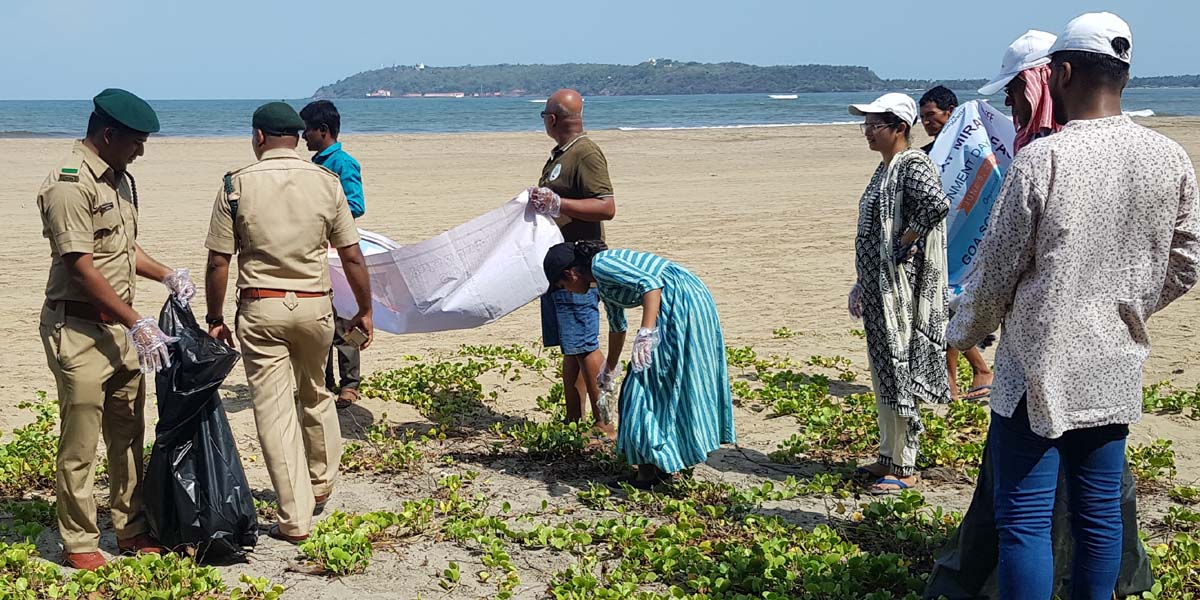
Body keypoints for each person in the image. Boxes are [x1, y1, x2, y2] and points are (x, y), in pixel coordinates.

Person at [948, 12, 1199, 599]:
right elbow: (1186, 261)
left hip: (1037, 370)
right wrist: (1128, 307)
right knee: (1098, 517)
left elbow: (994, 277)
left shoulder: (1044, 161)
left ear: (1060, 72)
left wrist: (964, 332)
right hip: (1114, 363)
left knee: (1026, 524)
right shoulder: (1170, 158)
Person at [37, 88, 196, 570]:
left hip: (123, 329)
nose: (141, 151)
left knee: (127, 433)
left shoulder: (120, 180)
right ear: (109, 134)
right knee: (81, 440)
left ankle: (129, 526)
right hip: (80, 329)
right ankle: (81, 540)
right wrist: (136, 321)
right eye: (136, 142)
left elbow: (125, 250)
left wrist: (167, 273)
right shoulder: (70, 183)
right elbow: (81, 265)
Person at [204, 102, 374, 543]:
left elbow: (219, 261)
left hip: (262, 308)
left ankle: (294, 517)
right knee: (316, 391)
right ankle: (320, 483)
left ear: (259, 136)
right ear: (297, 137)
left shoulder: (236, 184)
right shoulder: (326, 182)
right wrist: (365, 309)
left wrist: (215, 317)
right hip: (316, 306)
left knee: (275, 410)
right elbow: (352, 255)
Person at [541, 240, 735, 488]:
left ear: (571, 273)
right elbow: (617, 326)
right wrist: (609, 368)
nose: (566, 290)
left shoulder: (602, 265)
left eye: (562, 285)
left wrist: (646, 332)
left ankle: (649, 474)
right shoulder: (601, 283)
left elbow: (651, 285)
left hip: (681, 300)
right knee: (650, 383)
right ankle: (656, 467)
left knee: (642, 386)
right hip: (681, 299)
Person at [847, 93, 951, 493]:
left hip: (900, 289)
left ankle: (905, 465)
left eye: (876, 126)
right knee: (883, 369)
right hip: (878, 286)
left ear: (900, 129)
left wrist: (904, 243)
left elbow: (936, 206)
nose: (869, 133)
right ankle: (888, 454)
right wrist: (863, 278)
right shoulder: (884, 169)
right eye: (867, 126)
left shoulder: (912, 165)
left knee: (898, 367)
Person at [527, 89, 617, 439]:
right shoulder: (560, 156)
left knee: (584, 344)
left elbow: (606, 206)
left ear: (552, 119)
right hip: (558, 265)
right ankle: (573, 420)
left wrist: (558, 203)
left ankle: (605, 422)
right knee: (570, 347)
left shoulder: (586, 153)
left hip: (578, 267)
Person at [918, 85, 995, 401]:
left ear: (951, 113)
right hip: (937, 243)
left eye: (932, 116)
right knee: (944, 310)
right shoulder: (926, 156)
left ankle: (958, 377)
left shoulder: (973, 150)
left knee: (949, 309)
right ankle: (975, 370)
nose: (927, 122)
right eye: (922, 117)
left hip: (969, 244)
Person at [301, 100, 366, 410]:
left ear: (323, 131)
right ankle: (324, 380)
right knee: (321, 315)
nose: (303, 137)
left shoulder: (343, 163)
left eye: (307, 130)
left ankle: (350, 382)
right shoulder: (312, 165)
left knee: (343, 317)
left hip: (337, 250)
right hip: (316, 250)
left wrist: (322, 214)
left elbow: (356, 205)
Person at [977, 29, 1063, 153]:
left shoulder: (1070, 143)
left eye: (1012, 91)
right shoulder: (1031, 139)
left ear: (1038, 86)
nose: (1008, 102)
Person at [917, 85, 957, 154]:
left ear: (951, 111)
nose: (925, 122)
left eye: (930, 114)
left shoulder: (968, 147)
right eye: (922, 117)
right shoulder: (929, 153)